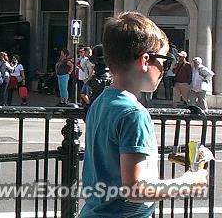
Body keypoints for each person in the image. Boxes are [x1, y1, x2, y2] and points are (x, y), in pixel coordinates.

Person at [80, 12, 208, 217]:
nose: (165, 69)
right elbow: (135, 189)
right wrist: (188, 182)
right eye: (165, 61)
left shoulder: (102, 102)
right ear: (145, 60)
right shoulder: (133, 113)